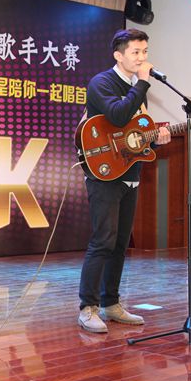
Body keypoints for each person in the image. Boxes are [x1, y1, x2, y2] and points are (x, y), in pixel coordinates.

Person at [77, 29, 171, 334]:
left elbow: (133, 135)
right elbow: (118, 116)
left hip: (129, 173)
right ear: (118, 55)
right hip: (103, 174)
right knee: (103, 240)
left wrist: (156, 138)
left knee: (120, 243)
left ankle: (112, 304)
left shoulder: (136, 89)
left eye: (145, 52)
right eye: (136, 52)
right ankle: (88, 307)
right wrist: (142, 82)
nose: (142, 58)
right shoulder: (102, 83)